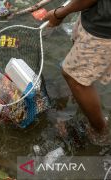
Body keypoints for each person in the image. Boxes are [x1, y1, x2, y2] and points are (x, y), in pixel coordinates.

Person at [43, 0, 111, 144]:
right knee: (77, 72)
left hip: (104, 28)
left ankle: (101, 132)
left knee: (75, 78)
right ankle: (85, 96)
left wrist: (59, 13)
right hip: (95, 18)